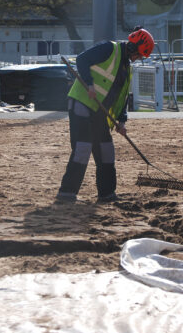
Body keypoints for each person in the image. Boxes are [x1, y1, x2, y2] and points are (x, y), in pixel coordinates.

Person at [56, 27, 155, 204]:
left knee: (106, 151)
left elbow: (122, 98)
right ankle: (67, 194)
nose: (138, 58)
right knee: (83, 148)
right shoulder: (109, 49)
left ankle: (107, 195)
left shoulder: (127, 68)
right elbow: (82, 59)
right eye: (139, 55)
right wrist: (90, 84)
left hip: (100, 114)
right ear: (133, 47)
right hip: (82, 103)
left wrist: (122, 121)